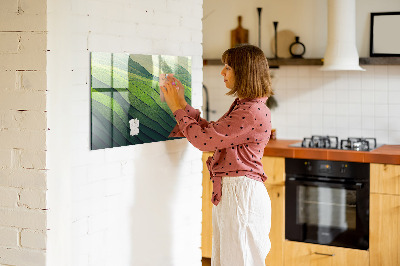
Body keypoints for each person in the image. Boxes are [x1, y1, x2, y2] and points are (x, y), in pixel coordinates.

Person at [160, 44, 273, 266]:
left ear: (244, 71)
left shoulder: (250, 111)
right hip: (236, 193)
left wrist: (176, 108)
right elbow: (212, 133)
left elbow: (204, 141)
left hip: (241, 195)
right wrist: (182, 104)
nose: (222, 72)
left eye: (228, 67)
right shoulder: (246, 106)